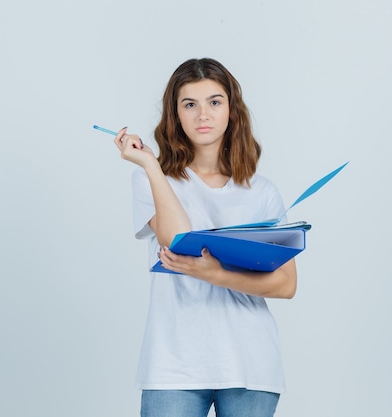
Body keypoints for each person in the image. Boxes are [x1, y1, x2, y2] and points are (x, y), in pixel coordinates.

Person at [113, 58, 297, 417]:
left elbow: (286, 284)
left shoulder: (261, 192)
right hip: (174, 364)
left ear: (232, 111)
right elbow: (179, 237)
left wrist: (215, 274)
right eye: (189, 104)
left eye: (214, 102)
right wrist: (152, 165)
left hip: (251, 363)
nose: (203, 115)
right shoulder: (150, 179)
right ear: (175, 114)